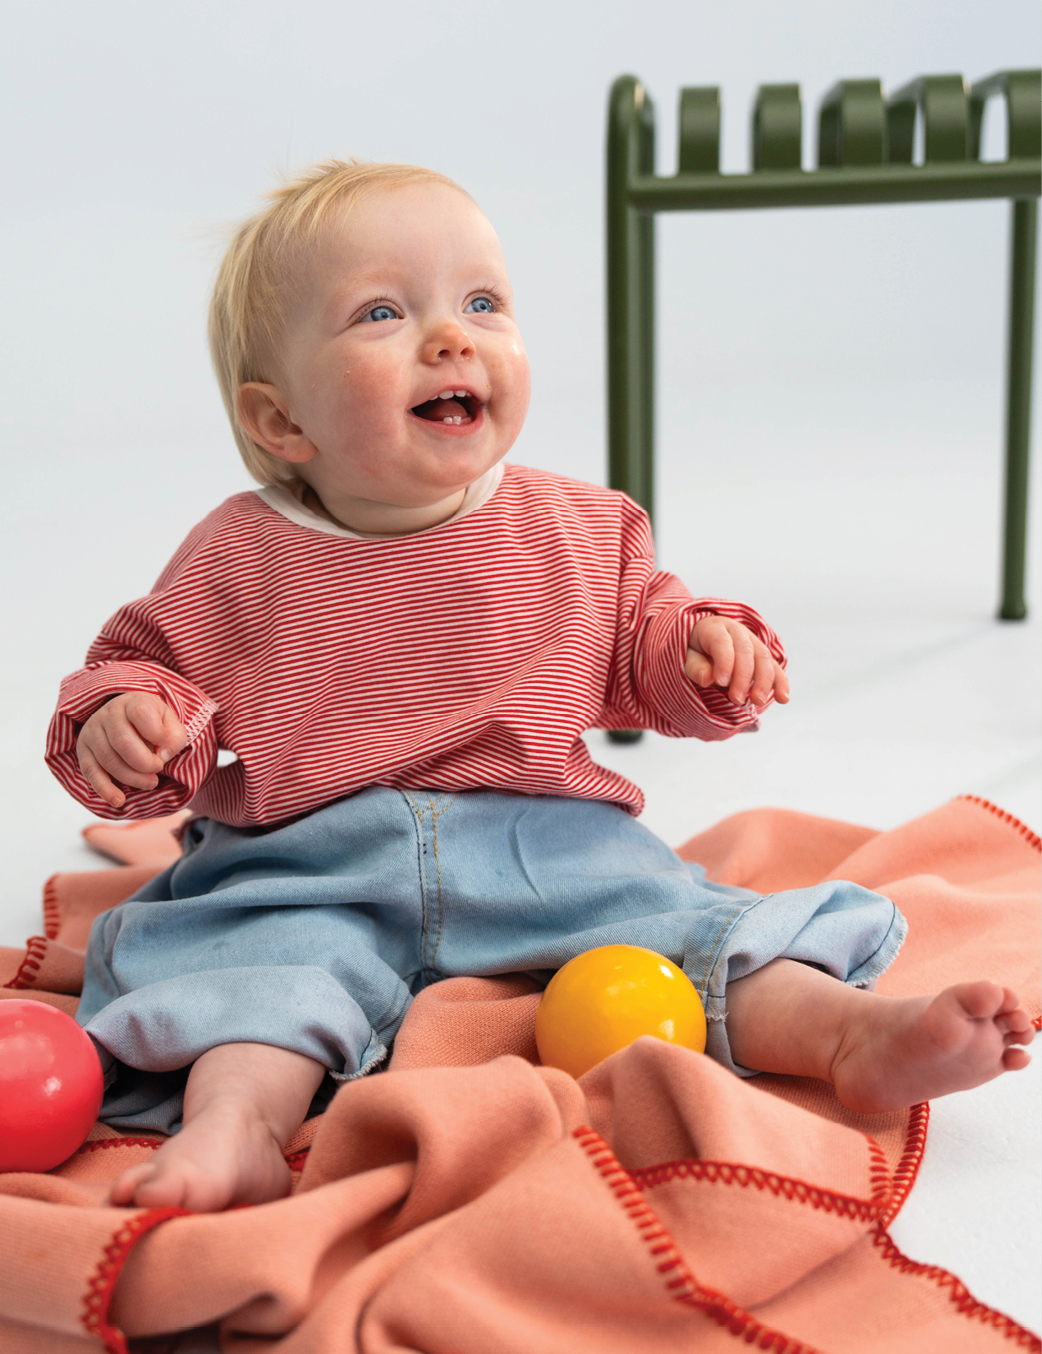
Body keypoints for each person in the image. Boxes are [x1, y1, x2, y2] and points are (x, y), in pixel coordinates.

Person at [46, 161, 1034, 1214]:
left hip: (540, 840)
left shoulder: (577, 526)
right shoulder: (235, 557)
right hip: (308, 858)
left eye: (482, 302)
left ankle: (847, 1036)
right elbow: (144, 673)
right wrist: (132, 722)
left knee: (678, 924)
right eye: (383, 312)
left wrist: (697, 649)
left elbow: (636, 646)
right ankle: (234, 1129)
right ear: (283, 422)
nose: (449, 335)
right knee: (255, 976)